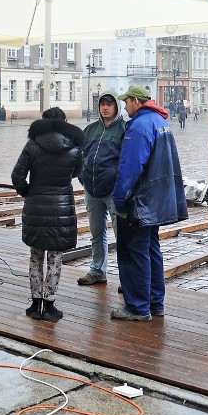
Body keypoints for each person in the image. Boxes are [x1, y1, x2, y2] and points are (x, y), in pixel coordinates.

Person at [111, 86, 188, 321]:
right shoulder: (160, 120)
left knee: (133, 253)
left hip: (139, 201)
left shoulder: (140, 126)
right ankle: (156, 303)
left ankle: (137, 307)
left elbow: (131, 167)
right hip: (156, 200)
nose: (124, 107)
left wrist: (119, 197)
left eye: (127, 102)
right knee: (151, 250)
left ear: (136, 101)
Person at [11, 107, 85, 322]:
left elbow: (17, 176)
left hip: (36, 205)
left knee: (36, 256)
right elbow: (77, 173)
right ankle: (50, 305)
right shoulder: (74, 147)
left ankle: (35, 305)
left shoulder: (32, 144)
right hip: (61, 207)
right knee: (55, 258)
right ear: (64, 121)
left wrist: (28, 191)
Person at [77, 93, 125, 287]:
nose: (105, 108)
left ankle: (126, 276)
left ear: (116, 107)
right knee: (97, 233)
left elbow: (127, 160)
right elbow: (80, 155)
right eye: (102, 104)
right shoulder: (90, 130)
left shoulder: (124, 129)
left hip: (114, 191)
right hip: (92, 189)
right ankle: (98, 270)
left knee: (121, 235)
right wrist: (83, 177)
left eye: (109, 104)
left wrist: (119, 183)